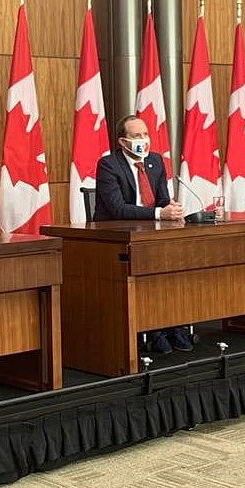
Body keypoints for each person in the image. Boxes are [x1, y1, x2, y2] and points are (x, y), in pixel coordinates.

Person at [94, 114, 192, 355]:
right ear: (123, 142)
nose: (144, 141)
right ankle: (153, 329)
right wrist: (160, 213)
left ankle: (173, 323)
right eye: (137, 136)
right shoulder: (108, 165)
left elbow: (161, 200)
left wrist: (171, 209)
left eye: (146, 135)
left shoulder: (156, 161)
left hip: (152, 233)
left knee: (175, 265)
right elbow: (117, 209)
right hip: (117, 238)